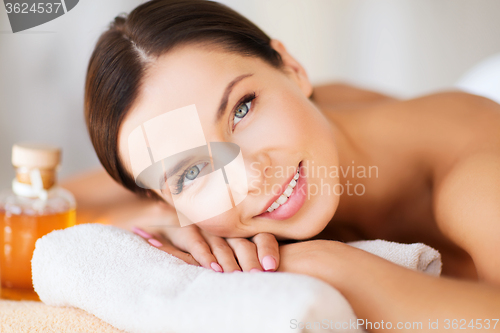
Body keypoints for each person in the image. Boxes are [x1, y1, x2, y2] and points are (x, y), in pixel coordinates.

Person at [78, 0, 500, 327]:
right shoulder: (285, 124)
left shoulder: (473, 175)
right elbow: (49, 203)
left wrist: (324, 264)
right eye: (191, 171)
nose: (249, 177)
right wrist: (165, 224)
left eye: (241, 111)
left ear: (294, 69)